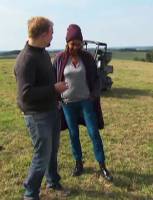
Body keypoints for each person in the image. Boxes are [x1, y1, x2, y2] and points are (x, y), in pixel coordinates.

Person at [14, 17, 69, 200]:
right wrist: (54, 89)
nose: (53, 36)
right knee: (42, 154)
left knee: (52, 150)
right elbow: (26, 94)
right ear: (44, 33)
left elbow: (46, 82)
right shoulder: (26, 59)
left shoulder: (43, 53)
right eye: (52, 32)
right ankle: (30, 193)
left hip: (51, 110)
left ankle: (52, 181)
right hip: (37, 115)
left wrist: (56, 94)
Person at [53, 24, 113, 181]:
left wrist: (93, 95)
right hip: (68, 104)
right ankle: (78, 163)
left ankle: (102, 166)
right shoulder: (59, 59)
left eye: (79, 44)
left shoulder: (87, 58)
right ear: (67, 42)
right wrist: (58, 97)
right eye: (73, 43)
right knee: (74, 134)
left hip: (86, 102)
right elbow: (54, 80)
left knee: (94, 133)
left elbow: (97, 79)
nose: (76, 47)